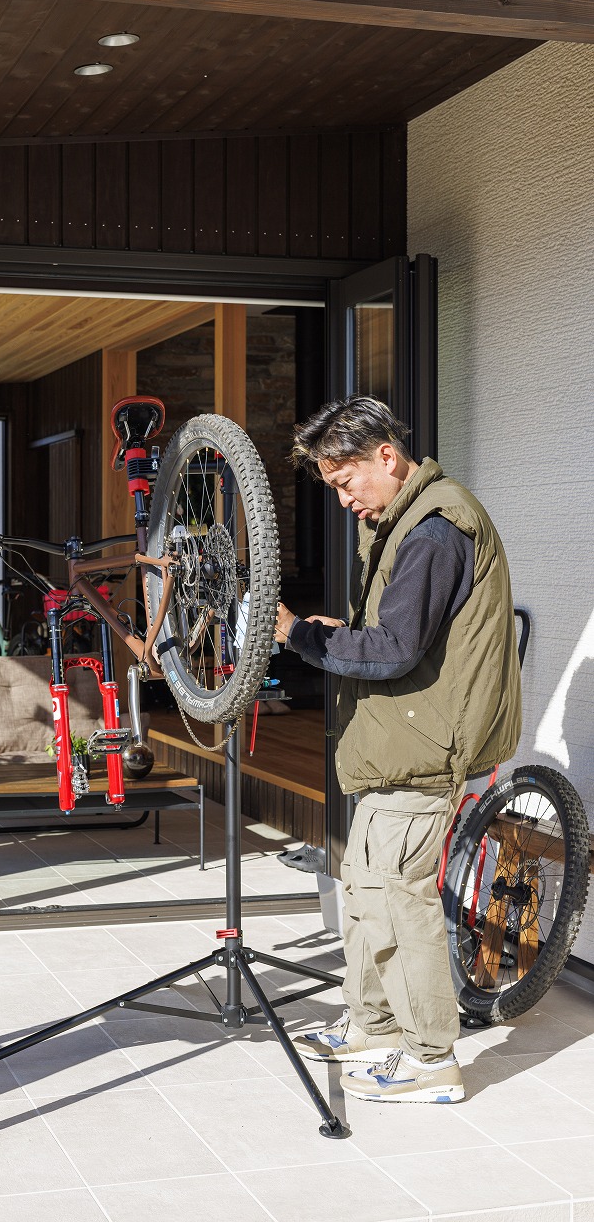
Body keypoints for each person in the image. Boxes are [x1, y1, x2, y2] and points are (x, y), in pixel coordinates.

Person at [275, 395, 521, 1104]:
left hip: (422, 752)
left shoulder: (435, 529)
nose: (344, 497)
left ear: (386, 456)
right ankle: (373, 1026)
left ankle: (429, 1060)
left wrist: (301, 637)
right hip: (398, 743)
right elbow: (403, 636)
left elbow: (393, 651)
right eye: (331, 487)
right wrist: (334, 631)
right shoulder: (408, 521)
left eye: (346, 480)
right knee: (362, 893)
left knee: (396, 902)